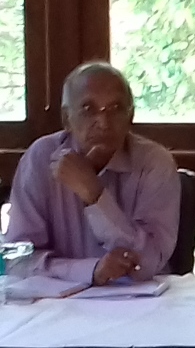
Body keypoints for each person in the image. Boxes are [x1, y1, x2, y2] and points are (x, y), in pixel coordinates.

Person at [6, 62, 180, 285]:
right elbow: (18, 260)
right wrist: (91, 270)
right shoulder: (40, 158)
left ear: (131, 116)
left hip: (141, 298)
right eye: (88, 109)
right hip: (60, 299)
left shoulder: (154, 162)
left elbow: (147, 261)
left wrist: (95, 195)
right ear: (66, 119)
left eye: (116, 108)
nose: (103, 123)